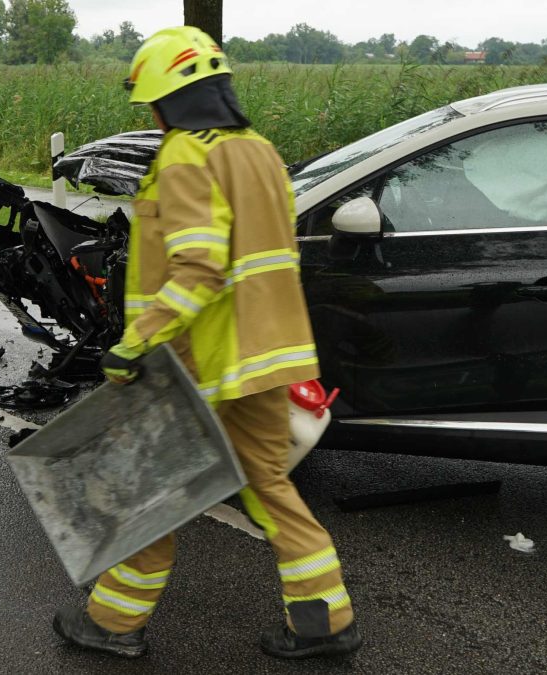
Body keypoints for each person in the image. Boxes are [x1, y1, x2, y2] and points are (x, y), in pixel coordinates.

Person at [52, 26, 362, 660]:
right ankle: (325, 620)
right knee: (268, 484)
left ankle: (112, 624)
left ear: (168, 100)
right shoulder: (259, 151)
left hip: (204, 362)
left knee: (147, 490)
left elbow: (200, 266)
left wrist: (135, 342)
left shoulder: (186, 155)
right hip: (268, 359)